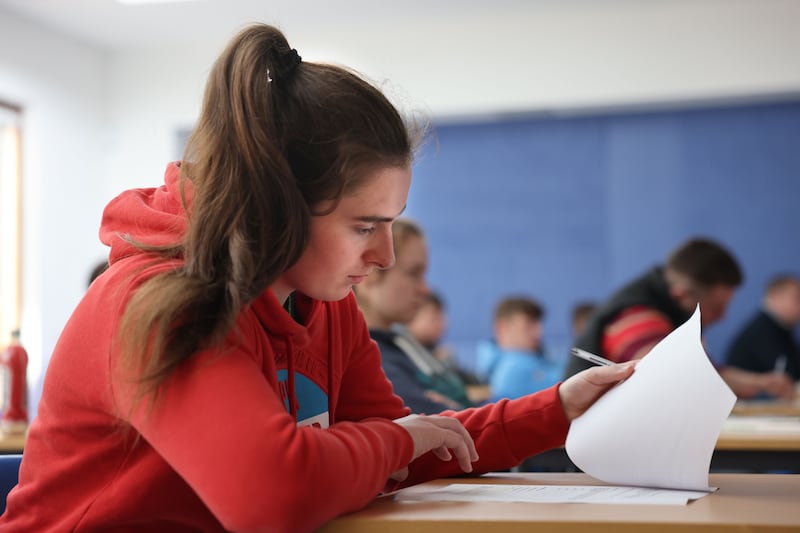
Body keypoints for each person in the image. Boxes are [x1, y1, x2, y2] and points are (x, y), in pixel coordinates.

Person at [0, 24, 635, 532]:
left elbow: (413, 446)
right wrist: (390, 445)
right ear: (275, 206)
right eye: (364, 226)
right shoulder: (165, 304)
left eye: (392, 223)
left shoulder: (325, 303)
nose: (384, 255)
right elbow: (271, 495)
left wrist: (556, 410)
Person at [564, 237, 743, 378]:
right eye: (716, 307)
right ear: (680, 295)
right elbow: (678, 377)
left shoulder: (657, 308)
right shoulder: (635, 318)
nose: (722, 316)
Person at [355, 219, 473, 412]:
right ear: (369, 273)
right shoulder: (372, 362)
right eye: (413, 273)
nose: (425, 289)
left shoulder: (402, 343)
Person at [722, 274, 799, 400]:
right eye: (797, 298)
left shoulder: (782, 329)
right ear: (775, 297)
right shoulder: (762, 333)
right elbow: (788, 376)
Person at [480, 296, 563, 401]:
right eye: (528, 325)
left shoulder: (548, 358)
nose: (539, 333)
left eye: (538, 324)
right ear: (502, 327)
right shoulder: (511, 371)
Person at [407, 291, 482, 386]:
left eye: (441, 316)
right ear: (411, 317)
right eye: (433, 318)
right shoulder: (404, 354)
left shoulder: (437, 352)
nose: (441, 323)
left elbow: (471, 379)